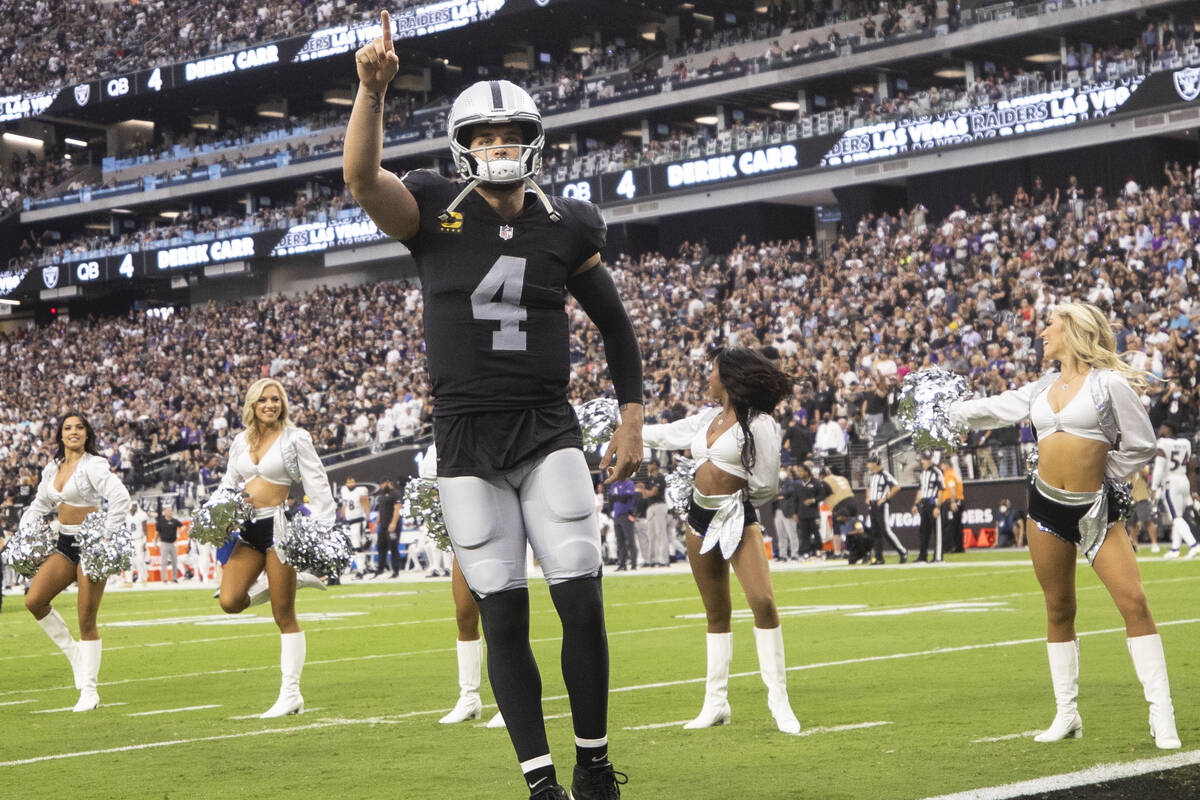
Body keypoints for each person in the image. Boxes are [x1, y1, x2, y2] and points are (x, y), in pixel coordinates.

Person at [346, 15, 643, 798]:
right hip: (466, 438)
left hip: (548, 427)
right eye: (486, 132)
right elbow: (359, 179)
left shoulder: (565, 220)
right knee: (502, 614)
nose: (501, 143)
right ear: (462, 141)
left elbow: (613, 321)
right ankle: (541, 781)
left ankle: (595, 764)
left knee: (580, 593)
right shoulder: (432, 208)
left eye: (514, 132)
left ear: (536, 138)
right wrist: (371, 93)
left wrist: (634, 413)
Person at [948, 302, 1180, 748]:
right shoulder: (1042, 387)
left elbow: (1142, 445)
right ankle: (1067, 714)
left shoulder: (1108, 383)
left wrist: (1105, 470)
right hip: (1045, 509)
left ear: (1072, 330)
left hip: (1094, 508)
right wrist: (947, 413)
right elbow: (996, 409)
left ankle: (1161, 714)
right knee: (1059, 610)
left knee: (1134, 602)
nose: (1042, 334)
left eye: (1049, 325)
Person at [641, 347, 801, 734]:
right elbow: (666, 433)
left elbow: (766, 484)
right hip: (698, 518)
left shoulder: (760, 423)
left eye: (712, 371)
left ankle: (778, 700)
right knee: (716, 612)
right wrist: (629, 428)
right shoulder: (708, 418)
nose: (707, 377)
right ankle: (716, 702)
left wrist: (735, 504)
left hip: (737, 517)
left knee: (762, 602)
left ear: (729, 377)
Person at [215, 378, 334, 718]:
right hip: (248, 529)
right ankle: (284, 582)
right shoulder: (240, 441)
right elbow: (229, 483)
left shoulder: (295, 438)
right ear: (252, 405)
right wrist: (219, 515)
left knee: (284, 615)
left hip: (280, 527)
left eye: (276, 399)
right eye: (263, 400)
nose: (270, 405)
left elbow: (318, 484)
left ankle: (291, 694)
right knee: (230, 601)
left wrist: (320, 531)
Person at [21, 412, 130, 712]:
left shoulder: (93, 464)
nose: (73, 432)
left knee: (86, 619)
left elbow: (120, 498)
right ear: (60, 435)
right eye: (68, 428)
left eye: (79, 427)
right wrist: (26, 527)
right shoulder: (52, 468)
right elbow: (40, 504)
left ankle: (90, 691)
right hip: (64, 544)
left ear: (87, 433)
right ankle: (74, 656)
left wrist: (105, 535)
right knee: (34, 600)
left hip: (91, 545)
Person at [1150, 423, 1199, 559]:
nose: (1160, 429)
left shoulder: (1163, 443)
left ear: (1169, 429)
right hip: (1184, 480)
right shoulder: (1185, 443)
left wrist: (1154, 487)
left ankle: (1194, 545)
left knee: (1176, 517)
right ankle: (1175, 549)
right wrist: (1193, 490)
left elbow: (1159, 467)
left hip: (1171, 481)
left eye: (1163, 427)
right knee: (1178, 516)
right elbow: (1191, 467)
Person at [865, 454, 907, 564]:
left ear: (875, 463)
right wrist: (868, 497)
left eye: (869, 462)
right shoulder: (872, 476)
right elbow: (869, 488)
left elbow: (896, 486)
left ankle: (902, 551)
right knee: (875, 533)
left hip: (881, 506)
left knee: (886, 531)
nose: (867, 464)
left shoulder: (884, 474)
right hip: (873, 505)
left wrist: (885, 498)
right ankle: (879, 558)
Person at [910, 451, 945, 562]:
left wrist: (938, 507)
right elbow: (920, 490)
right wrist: (915, 504)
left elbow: (940, 490)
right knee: (923, 531)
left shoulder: (937, 472)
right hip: (924, 504)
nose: (922, 462)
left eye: (923, 459)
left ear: (929, 460)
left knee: (937, 531)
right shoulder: (923, 473)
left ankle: (938, 557)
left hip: (933, 502)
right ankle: (922, 556)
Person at [637, 461, 669, 567]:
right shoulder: (649, 479)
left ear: (655, 466)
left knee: (661, 533)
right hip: (650, 507)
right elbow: (645, 496)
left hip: (659, 505)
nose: (648, 466)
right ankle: (651, 560)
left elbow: (653, 493)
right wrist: (645, 492)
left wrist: (644, 491)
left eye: (649, 464)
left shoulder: (660, 477)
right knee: (650, 534)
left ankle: (664, 560)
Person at [792, 462, 827, 559]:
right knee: (804, 534)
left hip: (813, 513)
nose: (799, 473)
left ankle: (819, 551)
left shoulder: (815, 482)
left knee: (816, 533)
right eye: (798, 471)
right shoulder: (797, 485)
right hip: (802, 514)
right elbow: (795, 500)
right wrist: (795, 513)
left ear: (807, 472)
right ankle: (806, 553)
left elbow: (822, 495)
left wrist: (813, 500)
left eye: (801, 471)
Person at [340, 476, 371, 577]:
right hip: (350, 522)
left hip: (359, 521)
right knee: (355, 547)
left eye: (352, 481)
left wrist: (367, 519)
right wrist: (341, 516)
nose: (351, 484)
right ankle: (363, 568)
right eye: (349, 482)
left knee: (358, 547)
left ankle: (361, 570)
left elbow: (366, 504)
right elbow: (344, 505)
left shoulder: (360, 491)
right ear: (346, 483)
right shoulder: (344, 491)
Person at [373, 477, 402, 578]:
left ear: (388, 483)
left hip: (392, 526)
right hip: (383, 526)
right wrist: (376, 523)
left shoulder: (395, 494)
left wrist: (393, 523)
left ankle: (395, 571)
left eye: (382, 484)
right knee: (381, 547)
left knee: (393, 548)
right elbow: (381, 511)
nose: (381, 486)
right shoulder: (381, 495)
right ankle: (380, 569)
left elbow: (397, 509)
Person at [609, 476, 637, 571]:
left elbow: (626, 497)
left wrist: (617, 497)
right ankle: (622, 564)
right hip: (616, 515)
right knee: (620, 542)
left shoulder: (629, 483)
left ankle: (633, 564)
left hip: (626, 515)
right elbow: (611, 498)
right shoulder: (614, 484)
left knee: (630, 541)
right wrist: (619, 497)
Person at [940, 459, 964, 554]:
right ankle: (959, 547)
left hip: (952, 501)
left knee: (949, 525)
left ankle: (947, 547)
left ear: (946, 465)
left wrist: (952, 501)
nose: (941, 467)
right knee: (957, 525)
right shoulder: (955, 474)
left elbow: (952, 488)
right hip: (960, 500)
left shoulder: (949, 475)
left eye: (942, 465)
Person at [124, 502, 149, 584]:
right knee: (128, 561)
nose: (133, 508)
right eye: (132, 506)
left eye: (135, 506)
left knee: (140, 560)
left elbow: (145, 529)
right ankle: (128, 580)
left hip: (139, 539)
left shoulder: (141, 515)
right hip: (129, 540)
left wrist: (145, 541)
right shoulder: (126, 516)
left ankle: (142, 578)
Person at [156, 506, 182, 583]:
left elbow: (183, 527)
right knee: (164, 561)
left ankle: (174, 578)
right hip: (164, 543)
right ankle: (164, 578)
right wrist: (155, 541)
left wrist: (178, 532)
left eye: (170, 511)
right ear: (164, 512)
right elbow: (157, 532)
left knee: (174, 561)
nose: (170, 512)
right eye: (168, 511)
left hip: (173, 543)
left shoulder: (174, 521)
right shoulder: (161, 522)